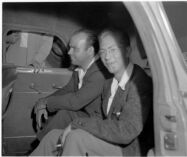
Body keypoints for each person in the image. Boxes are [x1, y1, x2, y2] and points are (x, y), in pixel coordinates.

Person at [30, 27, 153, 156]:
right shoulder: (110, 80)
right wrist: (78, 125)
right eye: (103, 51)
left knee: (76, 138)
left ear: (127, 51)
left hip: (128, 149)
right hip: (109, 137)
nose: (107, 57)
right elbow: (102, 117)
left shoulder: (139, 83)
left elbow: (127, 131)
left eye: (112, 50)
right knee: (53, 137)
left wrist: (78, 125)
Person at [33, 28, 111, 141]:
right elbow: (67, 90)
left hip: (99, 122)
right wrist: (42, 101)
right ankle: (41, 146)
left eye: (74, 49)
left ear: (89, 51)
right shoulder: (80, 69)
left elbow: (75, 101)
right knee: (64, 114)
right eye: (70, 47)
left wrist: (46, 103)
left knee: (66, 113)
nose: (69, 52)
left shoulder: (99, 73)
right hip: (86, 115)